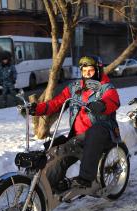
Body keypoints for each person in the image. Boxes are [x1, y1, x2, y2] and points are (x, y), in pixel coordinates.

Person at [28, 55, 120, 190]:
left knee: (94, 132)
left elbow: (112, 100)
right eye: (84, 71)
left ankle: (85, 179)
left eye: (90, 71)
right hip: (78, 136)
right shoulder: (75, 87)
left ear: (99, 70)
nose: (87, 74)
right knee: (58, 151)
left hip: (102, 134)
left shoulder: (106, 87)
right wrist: (37, 109)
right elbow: (56, 103)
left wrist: (101, 104)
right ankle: (48, 189)